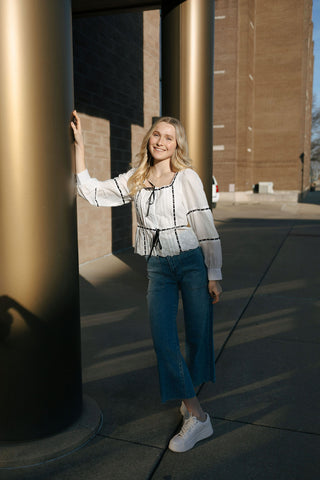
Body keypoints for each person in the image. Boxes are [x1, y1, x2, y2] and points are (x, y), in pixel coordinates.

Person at [71, 111, 222, 453]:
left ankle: (189, 399)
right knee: (164, 341)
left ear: (176, 144)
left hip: (191, 264)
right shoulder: (136, 178)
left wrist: (214, 273)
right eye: (157, 134)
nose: (161, 142)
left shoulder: (187, 179)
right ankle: (198, 417)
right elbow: (92, 192)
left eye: (169, 137)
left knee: (199, 335)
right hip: (158, 268)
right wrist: (79, 146)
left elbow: (204, 226)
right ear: (149, 138)